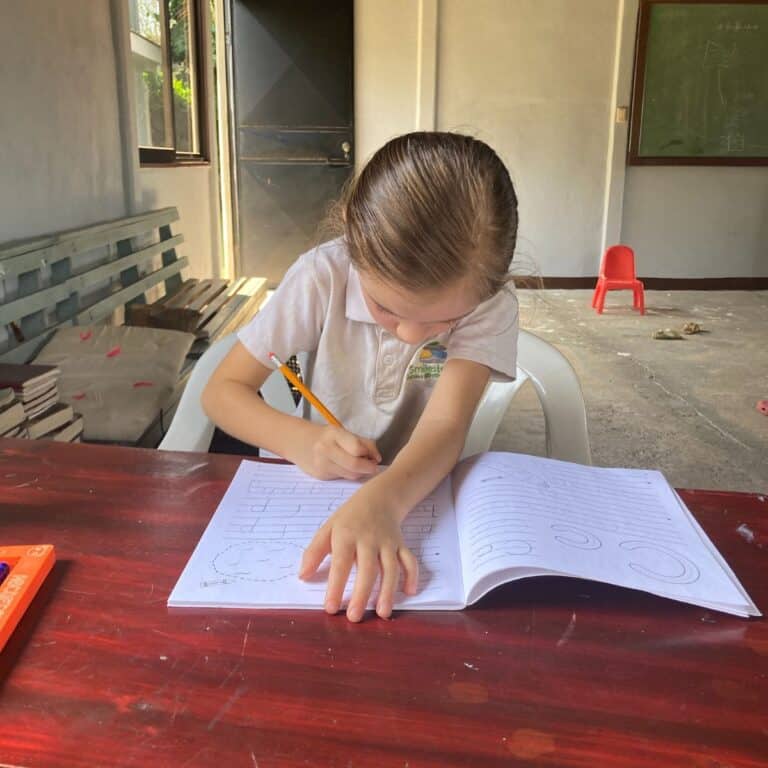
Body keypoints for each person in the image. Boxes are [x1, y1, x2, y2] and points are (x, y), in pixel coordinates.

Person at [202, 131, 520, 622]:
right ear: (352, 234)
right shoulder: (322, 276)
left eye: (444, 321)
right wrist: (301, 441)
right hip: (304, 494)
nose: (412, 334)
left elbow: (444, 427)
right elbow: (222, 393)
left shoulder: (489, 300)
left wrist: (384, 502)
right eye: (385, 308)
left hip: (417, 495)